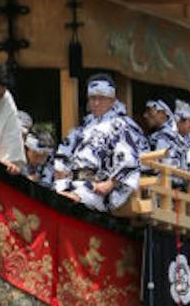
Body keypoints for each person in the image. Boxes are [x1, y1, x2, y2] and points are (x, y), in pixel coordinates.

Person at [54, 77, 146, 213]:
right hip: (72, 182)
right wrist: (61, 174)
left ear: (112, 101)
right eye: (92, 98)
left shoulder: (119, 126)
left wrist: (109, 184)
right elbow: (63, 155)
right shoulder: (83, 127)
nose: (96, 103)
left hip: (96, 187)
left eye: (102, 98)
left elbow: (129, 161)